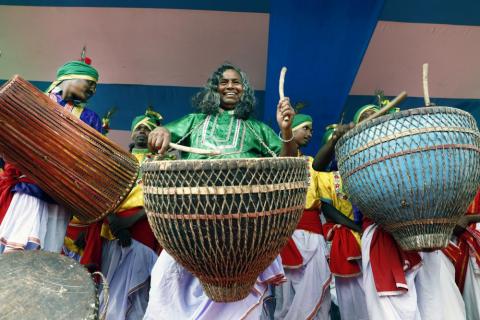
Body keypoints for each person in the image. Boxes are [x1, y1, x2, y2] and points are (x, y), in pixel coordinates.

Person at [143, 63, 296, 319]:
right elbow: (168, 133)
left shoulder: (257, 129)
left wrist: (285, 130)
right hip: (190, 228)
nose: (230, 87)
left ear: (244, 90)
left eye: (236, 82)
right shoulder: (194, 121)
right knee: (163, 281)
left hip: (245, 234)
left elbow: (287, 162)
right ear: (214, 88)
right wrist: (161, 131)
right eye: (223, 82)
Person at [0, 58, 101, 253]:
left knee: (47, 257)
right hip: (29, 189)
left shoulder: (90, 118)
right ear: (70, 78)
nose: (92, 91)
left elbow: (93, 159)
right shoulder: (32, 101)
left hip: (61, 198)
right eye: (90, 84)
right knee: (18, 250)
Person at [274, 114, 332, 319]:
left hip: (314, 232)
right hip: (288, 231)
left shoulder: (312, 163)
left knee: (318, 289)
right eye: (305, 128)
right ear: (292, 129)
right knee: (287, 290)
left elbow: (324, 201)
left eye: (311, 129)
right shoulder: (277, 160)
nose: (310, 133)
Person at [310, 122, 368, 320]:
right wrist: (355, 227)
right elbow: (327, 209)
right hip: (346, 237)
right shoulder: (325, 177)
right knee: (349, 295)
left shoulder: (362, 169)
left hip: (368, 236)